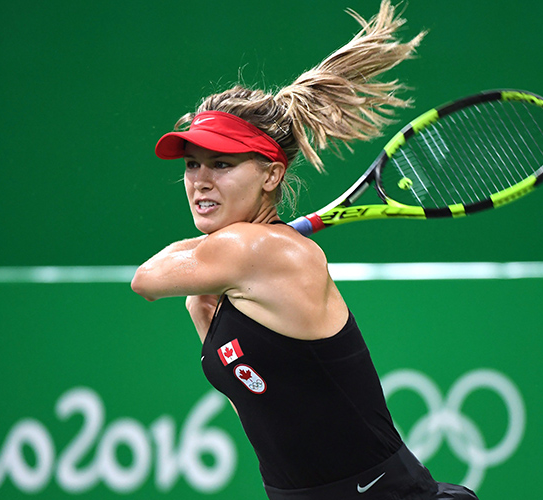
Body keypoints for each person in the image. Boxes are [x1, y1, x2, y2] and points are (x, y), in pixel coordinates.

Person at [132, 2, 479, 499]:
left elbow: (145, 279)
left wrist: (228, 256)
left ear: (271, 174)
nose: (200, 181)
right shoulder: (228, 276)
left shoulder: (255, 251)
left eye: (222, 164)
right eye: (192, 165)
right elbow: (260, 407)